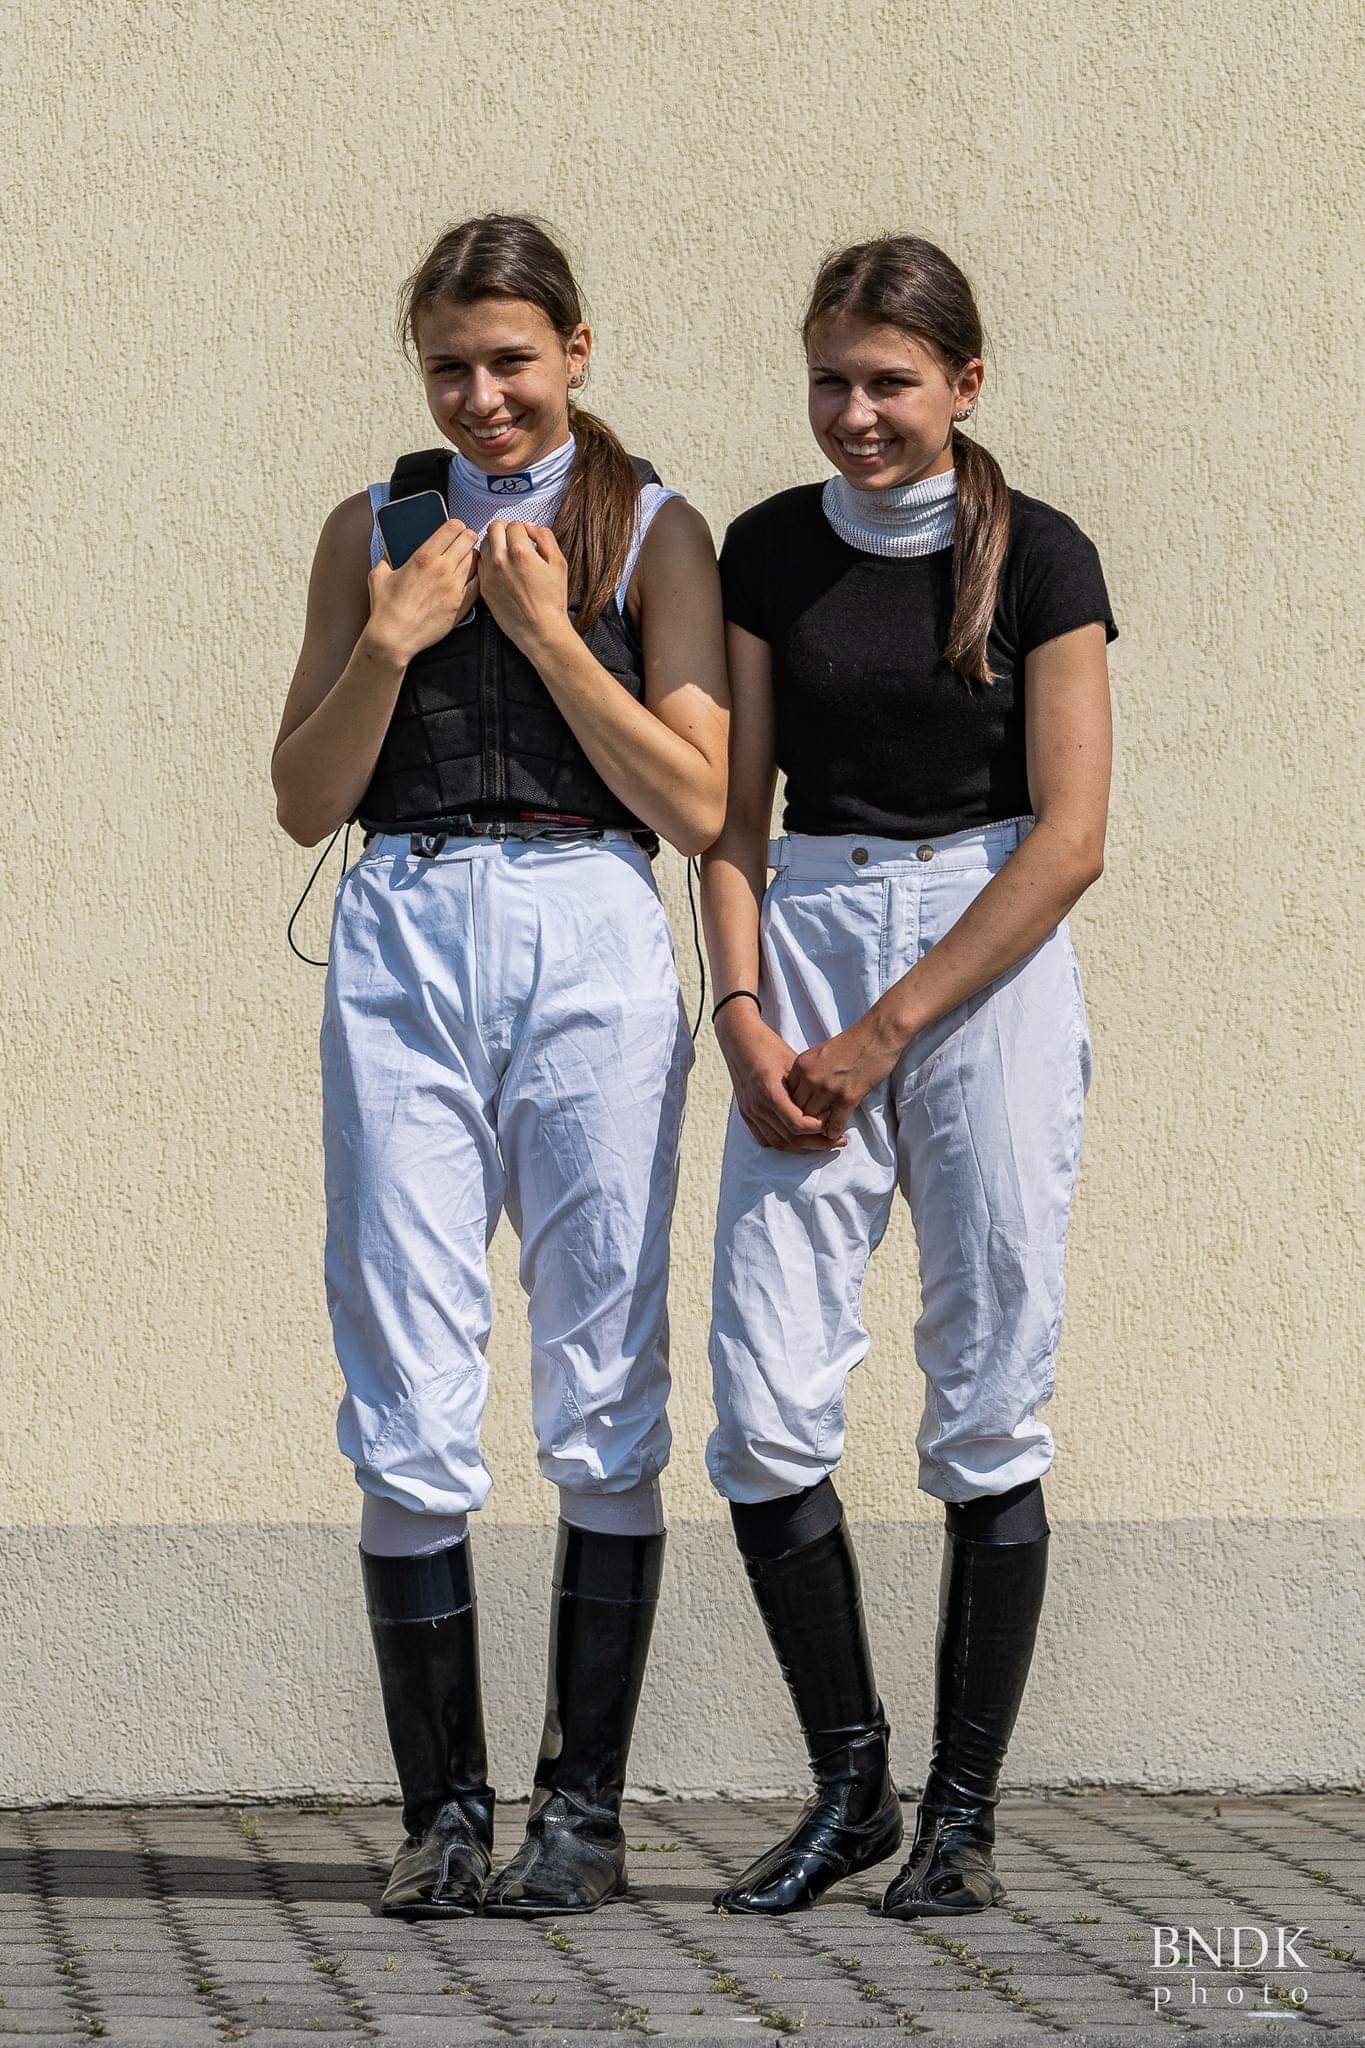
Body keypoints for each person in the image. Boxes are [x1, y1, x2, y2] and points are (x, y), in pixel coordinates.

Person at [271, 214, 728, 1919]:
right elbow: (303, 797)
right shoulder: (374, 526)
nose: (483, 396)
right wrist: (392, 639)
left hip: (587, 919)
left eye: (512, 360)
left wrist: (545, 638)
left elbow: (694, 806)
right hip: (402, 918)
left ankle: (581, 1813)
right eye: (451, 365)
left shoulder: (650, 530)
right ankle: (443, 1810)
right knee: (401, 1354)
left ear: (576, 350)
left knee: (604, 1359)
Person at [700, 234, 1115, 1918]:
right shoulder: (764, 551)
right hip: (801, 931)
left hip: (985, 948)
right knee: (758, 1396)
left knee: (988, 1368)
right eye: (831, 380)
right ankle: (849, 1783)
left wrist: (884, 1033)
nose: (855, 413)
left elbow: (1073, 837)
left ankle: (960, 1817)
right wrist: (739, 1009)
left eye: (888, 382)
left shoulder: (1041, 554)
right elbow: (726, 814)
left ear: (963, 383)